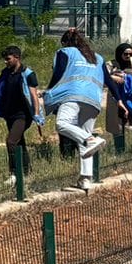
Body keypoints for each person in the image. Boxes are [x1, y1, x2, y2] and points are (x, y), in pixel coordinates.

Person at [43, 28, 111, 189]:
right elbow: (108, 80)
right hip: (93, 99)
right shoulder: (97, 57)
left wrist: (49, 91)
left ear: (65, 42)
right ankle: (86, 179)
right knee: (84, 141)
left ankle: (91, 139)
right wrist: (120, 100)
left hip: (72, 95)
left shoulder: (65, 52)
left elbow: (58, 74)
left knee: (62, 124)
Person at [0, 46, 44, 175]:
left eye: (8, 59)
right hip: (9, 113)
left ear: (17, 57)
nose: (6, 62)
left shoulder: (28, 74)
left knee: (11, 141)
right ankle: (26, 170)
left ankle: (15, 173)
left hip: (23, 114)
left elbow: (33, 95)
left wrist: (36, 114)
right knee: (19, 142)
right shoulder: (5, 73)